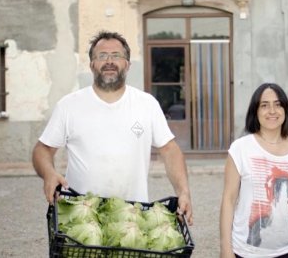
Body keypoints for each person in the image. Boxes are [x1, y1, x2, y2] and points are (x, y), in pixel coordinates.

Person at [32, 30, 192, 225]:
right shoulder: (69, 105)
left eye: (116, 56)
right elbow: (43, 149)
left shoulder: (146, 104)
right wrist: (49, 174)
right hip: (81, 218)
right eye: (102, 56)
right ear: (91, 65)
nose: (109, 61)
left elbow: (170, 150)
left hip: (131, 218)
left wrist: (183, 192)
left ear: (127, 64)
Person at [220, 83, 288, 257]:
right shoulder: (240, 148)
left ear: (285, 110)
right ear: (255, 112)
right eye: (264, 105)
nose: (272, 110)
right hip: (248, 251)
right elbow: (228, 200)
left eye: (278, 104)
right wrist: (226, 249)